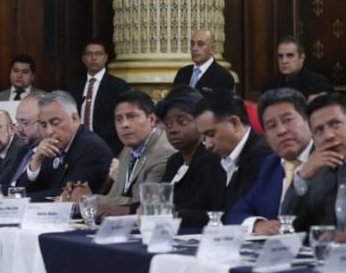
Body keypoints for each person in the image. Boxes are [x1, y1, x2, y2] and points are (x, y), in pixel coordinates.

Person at [281, 93, 346, 242]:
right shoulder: (317, 169)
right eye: (319, 130)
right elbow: (289, 226)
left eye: (335, 124)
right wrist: (302, 177)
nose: (328, 135)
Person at [225, 88, 314, 234]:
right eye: (271, 126)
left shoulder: (325, 159)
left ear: (308, 119)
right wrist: (257, 224)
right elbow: (235, 214)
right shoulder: (271, 165)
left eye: (288, 120)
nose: (281, 131)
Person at [19, 91, 112, 199]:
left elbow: (67, 195)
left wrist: (21, 198)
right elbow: (23, 189)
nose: (49, 131)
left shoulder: (92, 148)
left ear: (74, 119)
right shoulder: (52, 146)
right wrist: (36, 161)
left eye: (55, 122)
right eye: (43, 125)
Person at [97, 91, 176, 216]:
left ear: (151, 119)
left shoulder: (164, 152)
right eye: (119, 119)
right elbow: (114, 196)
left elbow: (145, 203)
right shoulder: (129, 147)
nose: (124, 125)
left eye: (132, 117)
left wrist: (88, 200)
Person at [158, 87, 225, 227]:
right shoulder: (174, 161)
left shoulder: (212, 160)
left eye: (182, 122)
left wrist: (169, 214)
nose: (173, 130)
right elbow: (159, 201)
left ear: (201, 123)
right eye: (168, 124)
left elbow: (211, 212)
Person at [194, 91, 271, 212]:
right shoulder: (214, 158)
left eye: (211, 134)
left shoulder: (264, 156)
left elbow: (235, 211)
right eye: (204, 137)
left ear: (235, 123)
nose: (208, 144)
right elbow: (201, 206)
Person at [68, 40, 130, 155]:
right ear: (83, 59)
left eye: (98, 54)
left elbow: (118, 119)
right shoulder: (74, 86)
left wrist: (94, 140)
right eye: (89, 54)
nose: (94, 58)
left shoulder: (118, 86)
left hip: (108, 147)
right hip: (77, 147)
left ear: (106, 58)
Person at [261, 36, 334, 97]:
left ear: (301, 57)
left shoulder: (318, 83)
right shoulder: (270, 86)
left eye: (290, 56)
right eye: (280, 56)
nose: (284, 61)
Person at [0, 94, 43, 191]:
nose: (19, 129)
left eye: (25, 123)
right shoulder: (22, 150)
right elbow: (4, 183)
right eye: (18, 122)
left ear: (43, 122)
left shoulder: (49, 153)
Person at [172, 29, 235, 93]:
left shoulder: (223, 77)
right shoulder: (182, 73)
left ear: (212, 49)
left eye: (200, 44)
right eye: (192, 43)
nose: (194, 48)